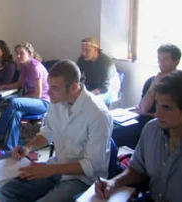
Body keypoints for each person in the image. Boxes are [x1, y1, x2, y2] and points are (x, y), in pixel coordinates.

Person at [0, 60, 113, 202]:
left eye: (55, 88)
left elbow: (92, 166)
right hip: (57, 167)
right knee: (3, 190)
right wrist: (27, 148)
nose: (48, 92)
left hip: (83, 180)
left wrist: (50, 170)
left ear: (74, 88)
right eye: (49, 86)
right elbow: (47, 132)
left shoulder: (98, 114)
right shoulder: (57, 102)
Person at [96, 70, 182, 202]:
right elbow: (137, 170)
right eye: (157, 104)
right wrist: (113, 182)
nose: (157, 114)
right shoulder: (152, 129)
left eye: (167, 108)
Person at [112, 44, 181, 148]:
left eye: (165, 59)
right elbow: (143, 109)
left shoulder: (178, 83)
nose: (161, 63)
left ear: (176, 61)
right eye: (159, 58)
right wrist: (153, 86)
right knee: (112, 134)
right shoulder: (152, 80)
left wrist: (152, 114)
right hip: (143, 120)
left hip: (163, 124)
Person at [0, 42, 50, 150]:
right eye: (17, 53)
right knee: (16, 113)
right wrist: (2, 87)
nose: (18, 56)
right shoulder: (24, 66)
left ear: (30, 54)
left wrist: (22, 98)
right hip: (32, 102)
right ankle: (10, 146)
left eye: (21, 53)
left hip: (43, 102)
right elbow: (19, 83)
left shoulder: (35, 67)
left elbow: (38, 94)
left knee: (14, 102)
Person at [77, 37, 119, 106]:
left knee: (91, 102)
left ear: (95, 50)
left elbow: (104, 88)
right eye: (82, 50)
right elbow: (76, 74)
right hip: (92, 87)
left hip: (108, 90)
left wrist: (87, 95)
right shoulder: (83, 58)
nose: (83, 53)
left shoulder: (106, 62)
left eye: (87, 50)